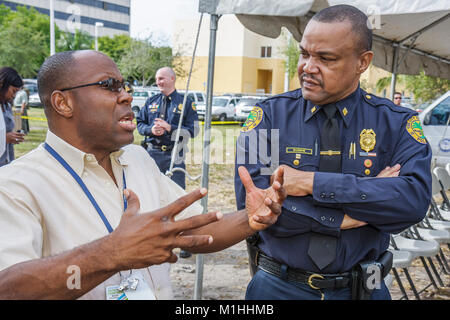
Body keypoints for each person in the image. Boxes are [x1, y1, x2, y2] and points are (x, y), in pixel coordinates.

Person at [0, 50, 286, 300]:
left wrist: (250, 218)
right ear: (63, 103)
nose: (126, 95)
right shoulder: (16, 186)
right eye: (109, 86)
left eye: (125, 86)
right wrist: (110, 254)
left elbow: (192, 230)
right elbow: (9, 288)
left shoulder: (137, 159)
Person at [234, 4, 432, 300]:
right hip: (278, 288)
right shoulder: (270, 117)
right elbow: (256, 204)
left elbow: (412, 202)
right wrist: (349, 212)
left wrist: (310, 184)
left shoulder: (396, 123)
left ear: (362, 62)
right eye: (304, 54)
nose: (308, 67)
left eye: (325, 58)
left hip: (364, 289)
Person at [137, 67, 199, 259]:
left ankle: (185, 240)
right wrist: (150, 130)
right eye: (157, 79)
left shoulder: (186, 103)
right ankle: (155, 239)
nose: (159, 82)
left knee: (178, 199)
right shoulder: (151, 102)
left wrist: (170, 128)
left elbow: (194, 131)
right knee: (151, 197)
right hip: (152, 155)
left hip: (175, 155)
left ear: (172, 79)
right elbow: (139, 124)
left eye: (162, 78)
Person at [0, 67, 26, 167]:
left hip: (6, 159)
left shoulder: (6, 105)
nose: (14, 96)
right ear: (3, 85)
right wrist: (4, 138)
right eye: (13, 91)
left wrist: (13, 136)